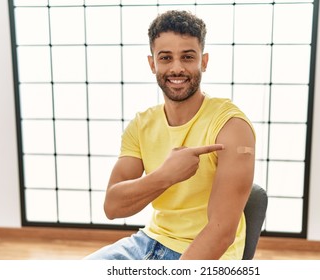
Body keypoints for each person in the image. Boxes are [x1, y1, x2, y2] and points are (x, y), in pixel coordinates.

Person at [85, 10, 255, 260]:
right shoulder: (141, 124)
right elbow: (113, 207)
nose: (177, 68)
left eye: (187, 57)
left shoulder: (231, 126)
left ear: (203, 62)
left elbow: (222, 232)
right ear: (153, 63)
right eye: (166, 58)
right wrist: (166, 175)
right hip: (148, 242)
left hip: (208, 255)